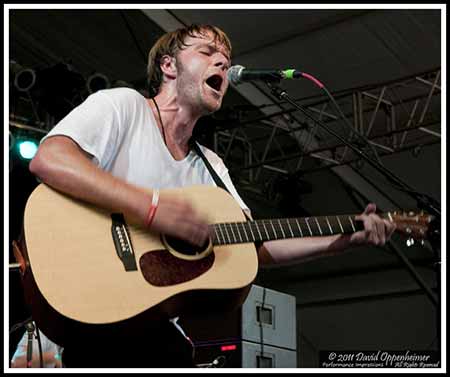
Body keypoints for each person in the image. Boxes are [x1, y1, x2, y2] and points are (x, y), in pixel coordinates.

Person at [27, 24, 395, 367]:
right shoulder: (124, 106)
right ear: (168, 66)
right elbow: (50, 159)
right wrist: (152, 209)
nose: (222, 61)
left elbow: (253, 247)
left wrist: (344, 240)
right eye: (207, 52)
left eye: (226, 58)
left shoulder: (213, 167)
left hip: (153, 329)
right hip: (98, 313)